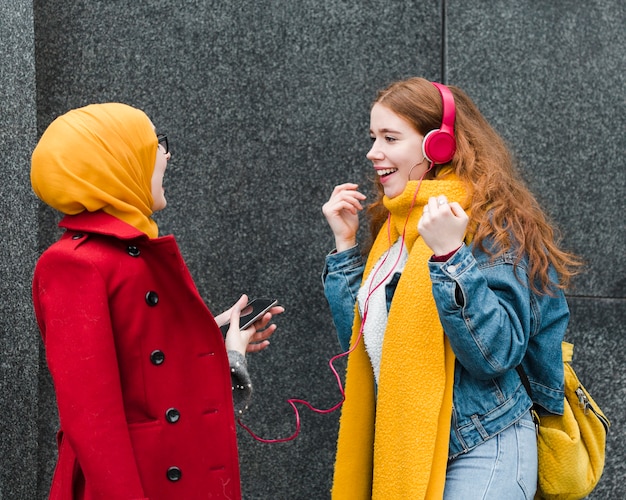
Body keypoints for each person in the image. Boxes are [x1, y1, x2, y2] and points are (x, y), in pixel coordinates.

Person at [321, 77, 580, 499]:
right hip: (415, 447)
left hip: (483, 445)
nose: (373, 152)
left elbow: (496, 353)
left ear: (438, 145)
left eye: (390, 137)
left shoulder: (488, 224)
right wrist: (345, 245)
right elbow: (366, 343)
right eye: (373, 137)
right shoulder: (397, 230)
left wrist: (450, 257)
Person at [30, 102, 283, 500]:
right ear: (116, 162)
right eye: (154, 145)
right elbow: (92, 420)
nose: (166, 155)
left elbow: (145, 370)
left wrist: (213, 347)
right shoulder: (74, 265)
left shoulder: (137, 251)